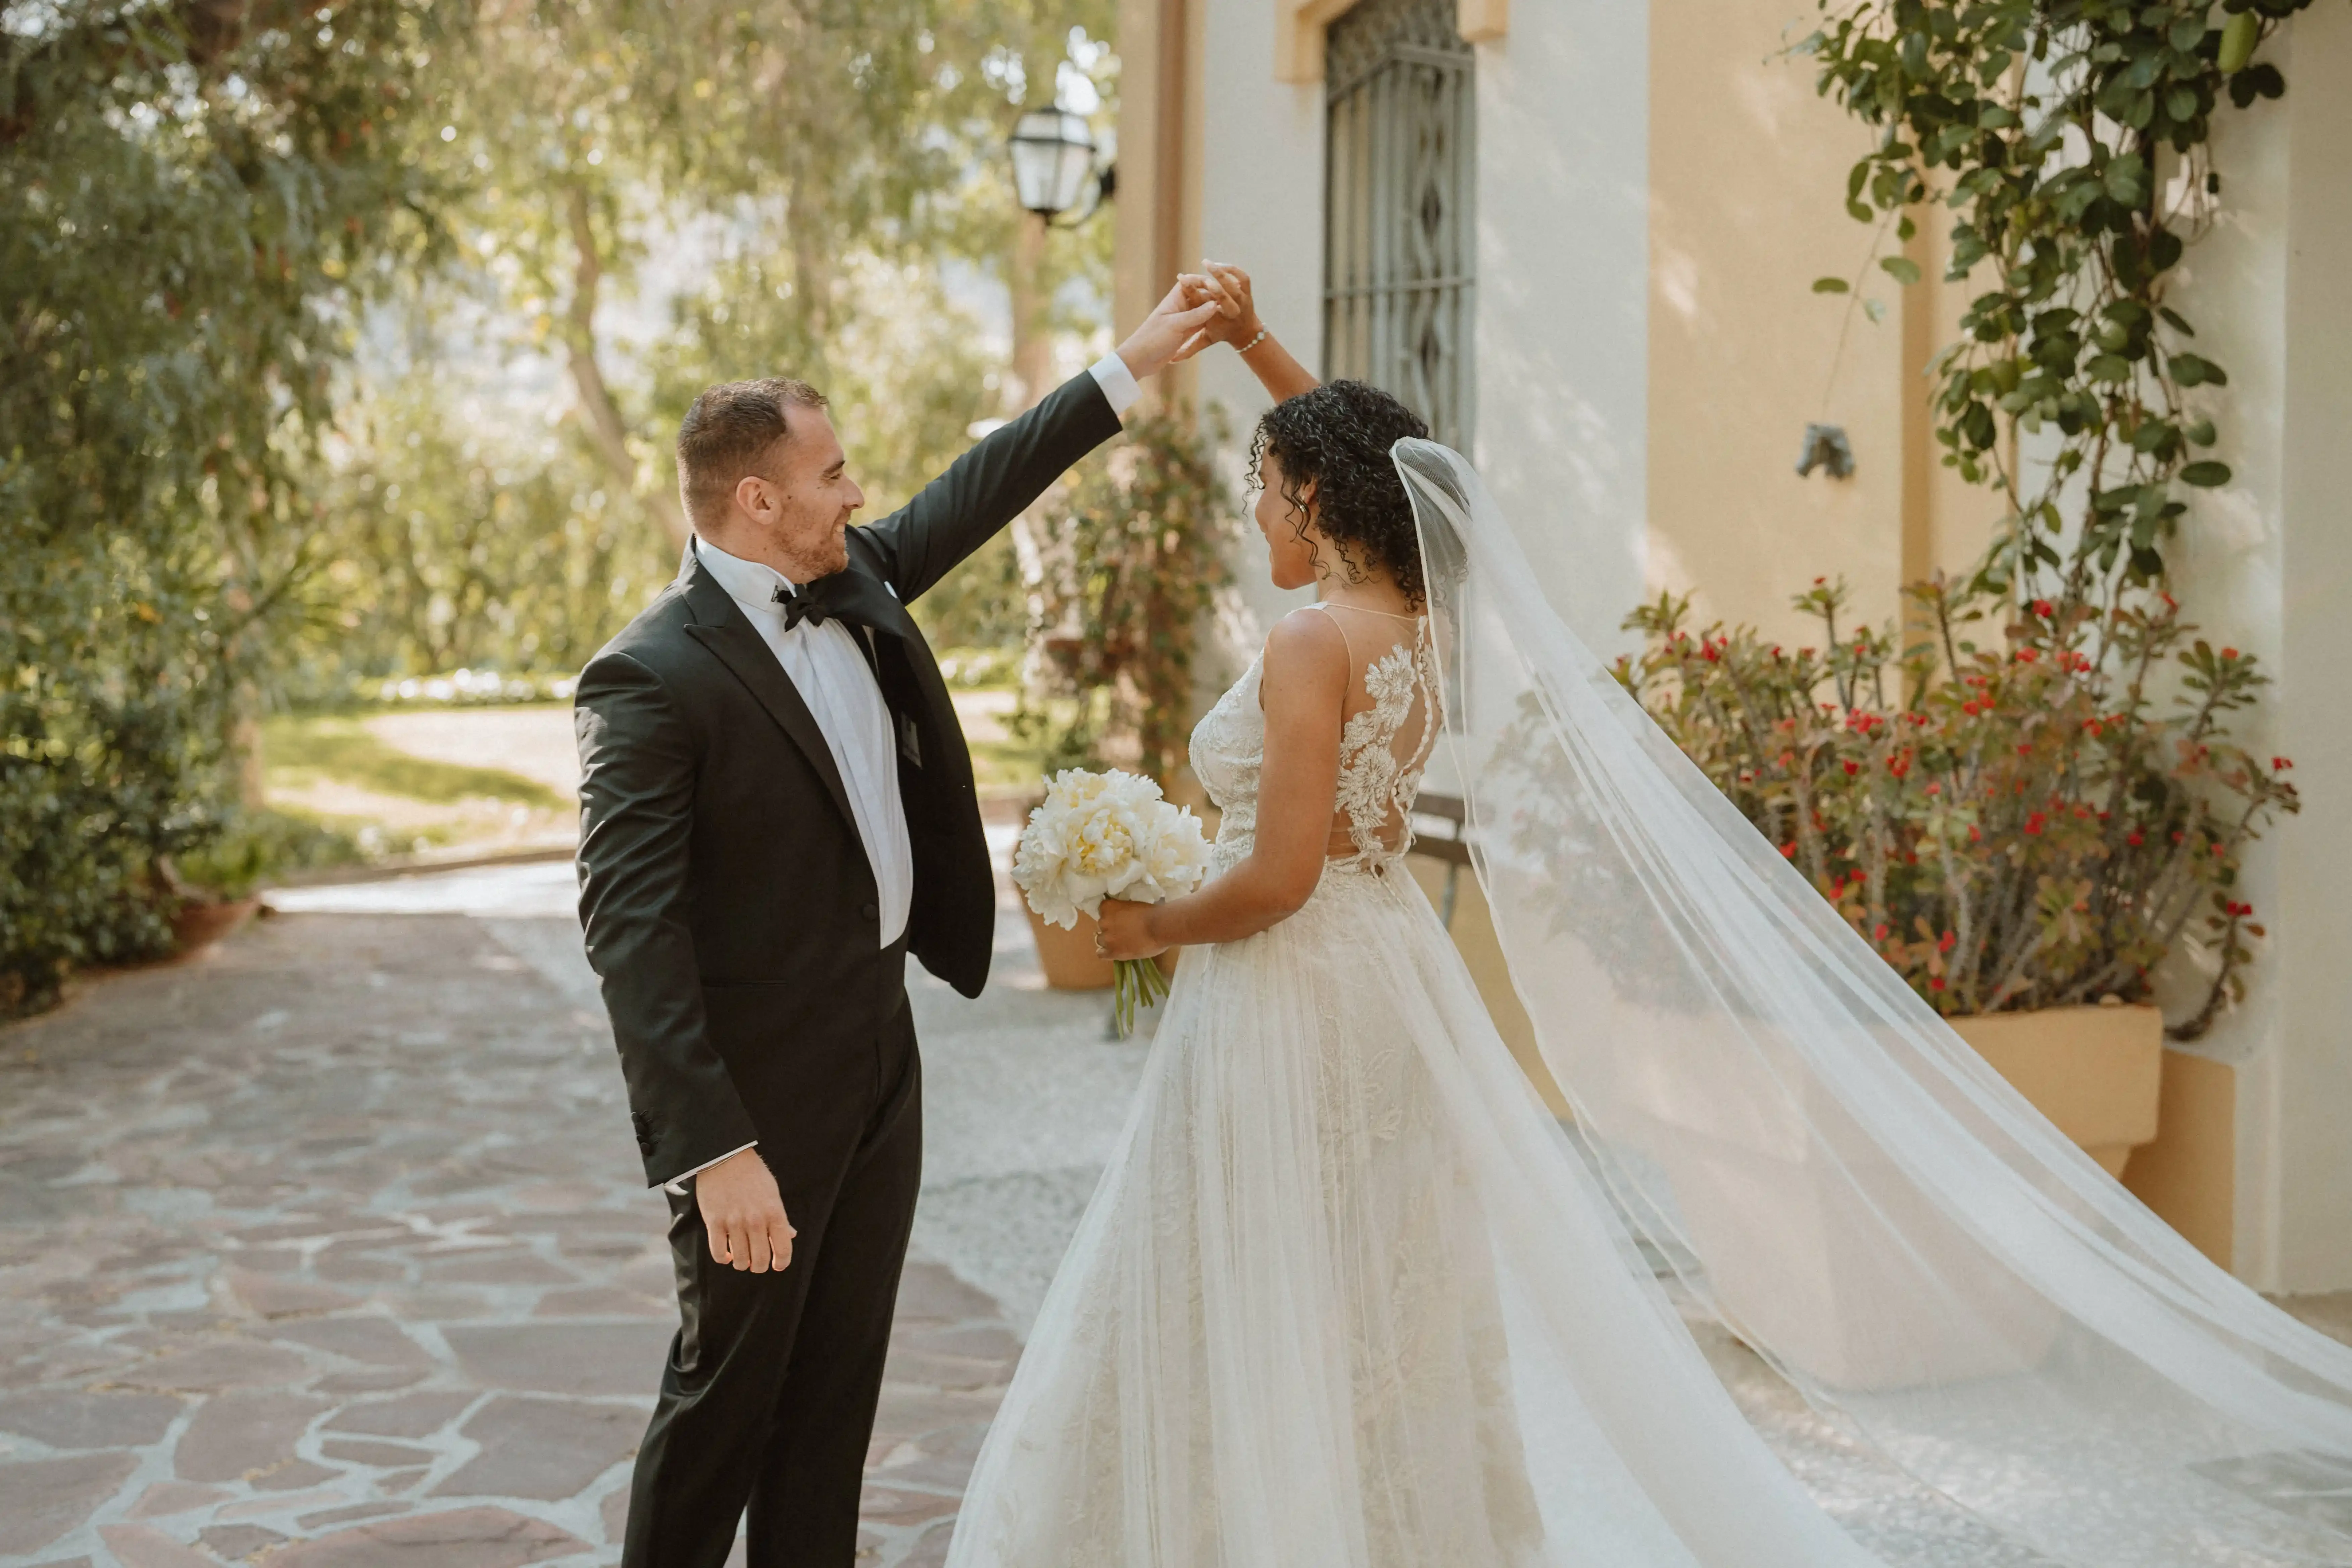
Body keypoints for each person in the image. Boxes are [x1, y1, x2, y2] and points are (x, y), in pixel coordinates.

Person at [941, 266, 2352, 1567]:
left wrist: (1149, 926)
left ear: (1312, 502)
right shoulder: (1413, 619)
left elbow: (1282, 875)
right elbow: (1378, 477)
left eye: (1266, 489)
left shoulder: (1316, 637)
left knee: (1232, 1273)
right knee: (1369, 1292)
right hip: (1386, 981)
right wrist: (1253, 345)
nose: (1257, 513)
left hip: (1292, 981)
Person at [571, 279, 1221, 1568]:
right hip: (757, 1097)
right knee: (722, 1403)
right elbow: (629, 937)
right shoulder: (648, 678)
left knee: (834, 1403)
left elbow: (987, 482)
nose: (857, 492)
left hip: (882, 1052)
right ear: (759, 501)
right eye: (832, 471)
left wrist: (1134, 360)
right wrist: (716, 1152)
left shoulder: (854, 573)